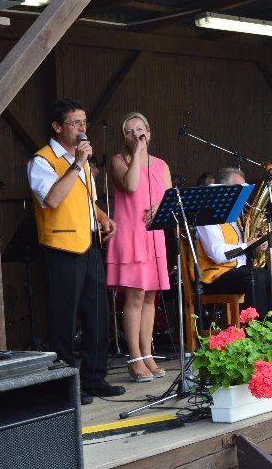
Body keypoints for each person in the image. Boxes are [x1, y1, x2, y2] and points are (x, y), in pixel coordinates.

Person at [27, 98, 125, 404]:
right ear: (57, 127)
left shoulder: (78, 161)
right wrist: (77, 165)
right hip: (61, 247)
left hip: (89, 244)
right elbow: (53, 199)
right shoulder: (42, 161)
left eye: (84, 122)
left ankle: (94, 378)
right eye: (75, 123)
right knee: (64, 319)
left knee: (97, 314)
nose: (82, 128)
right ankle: (66, 385)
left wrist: (103, 217)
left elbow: (86, 200)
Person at [106, 112, 172, 382]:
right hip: (131, 235)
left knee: (150, 298)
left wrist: (160, 206)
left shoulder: (161, 165)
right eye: (129, 131)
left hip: (153, 235)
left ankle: (148, 354)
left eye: (139, 129)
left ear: (149, 132)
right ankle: (134, 357)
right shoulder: (118, 161)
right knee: (134, 297)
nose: (135, 135)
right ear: (125, 138)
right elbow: (131, 185)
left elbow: (169, 198)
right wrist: (136, 153)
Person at [195, 167, 272, 317]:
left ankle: (271, 324)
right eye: (240, 189)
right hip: (215, 275)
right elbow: (218, 254)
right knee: (256, 278)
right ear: (224, 189)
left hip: (239, 270)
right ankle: (258, 328)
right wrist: (247, 245)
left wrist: (255, 247)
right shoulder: (207, 214)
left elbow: (239, 249)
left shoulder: (235, 215)